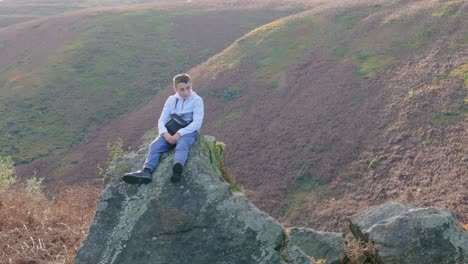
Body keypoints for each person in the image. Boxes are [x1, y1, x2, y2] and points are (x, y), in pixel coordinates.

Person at [122, 73, 204, 184]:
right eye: (182, 89)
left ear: (191, 84)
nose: (185, 92)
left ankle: (177, 170)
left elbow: (197, 123)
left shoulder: (197, 100)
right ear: (175, 88)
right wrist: (165, 133)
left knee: (182, 145)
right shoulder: (170, 100)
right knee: (155, 146)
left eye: (188, 88)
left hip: (188, 132)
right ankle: (146, 172)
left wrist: (179, 133)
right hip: (170, 130)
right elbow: (162, 120)